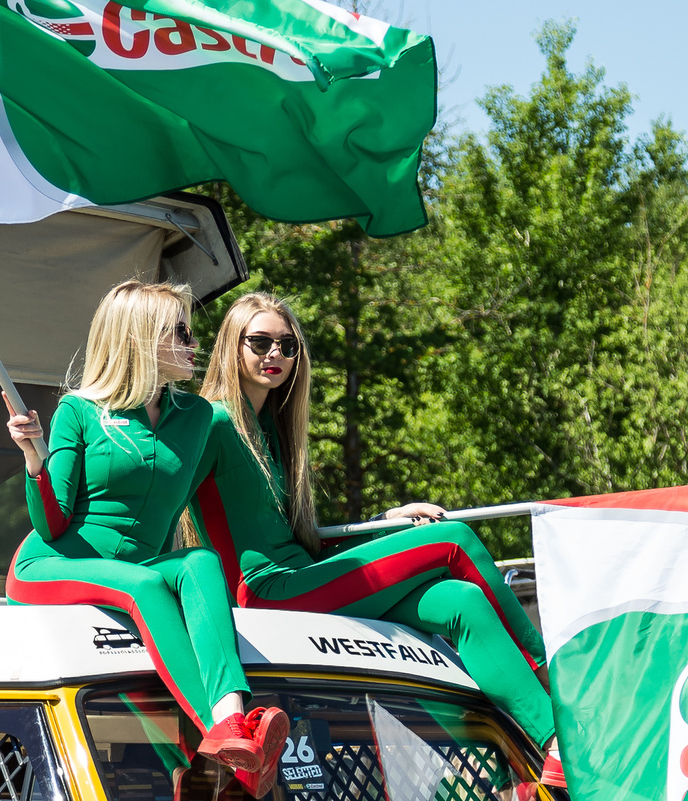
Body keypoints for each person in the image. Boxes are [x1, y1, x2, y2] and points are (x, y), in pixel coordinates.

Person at [185, 292, 553, 746]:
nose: (275, 354)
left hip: (307, 577)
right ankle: (550, 674)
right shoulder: (213, 421)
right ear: (231, 345)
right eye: (260, 342)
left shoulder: (272, 430)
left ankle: (550, 744)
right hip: (268, 593)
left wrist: (385, 520)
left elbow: (301, 538)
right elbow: (163, 497)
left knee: (462, 601)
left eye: (287, 345)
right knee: (453, 539)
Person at [4, 279, 282, 784]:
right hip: (51, 564)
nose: (194, 344)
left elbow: (209, 506)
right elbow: (52, 522)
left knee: (200, 561)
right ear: (140, 338)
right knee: (148, 584)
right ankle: (224, 736)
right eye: (180, 332)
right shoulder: (79, 410)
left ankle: (231, 720)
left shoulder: (198, 417)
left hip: (139, 568)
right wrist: (33, 459)